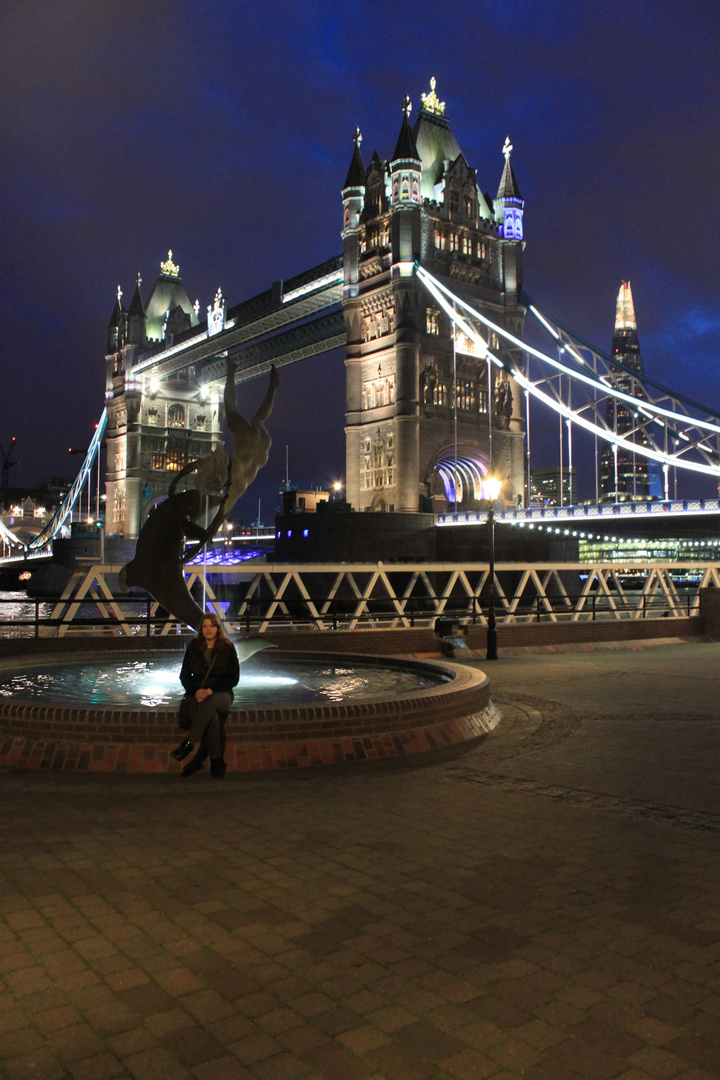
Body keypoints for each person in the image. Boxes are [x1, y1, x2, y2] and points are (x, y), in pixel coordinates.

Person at [171, 613, 240, 778]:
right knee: (213, 717)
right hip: (199, 694)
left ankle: (189, 744)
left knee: (212, 702)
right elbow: (184, 676)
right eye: (205, 626)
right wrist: (195, 691)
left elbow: (233, 678)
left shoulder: (227, 647)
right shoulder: (194, 647)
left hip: (222, 694)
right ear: (201, 629)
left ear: (217, 628)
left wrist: (211, 690)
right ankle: (216, 762)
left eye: (212, 626)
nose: (208, 630)